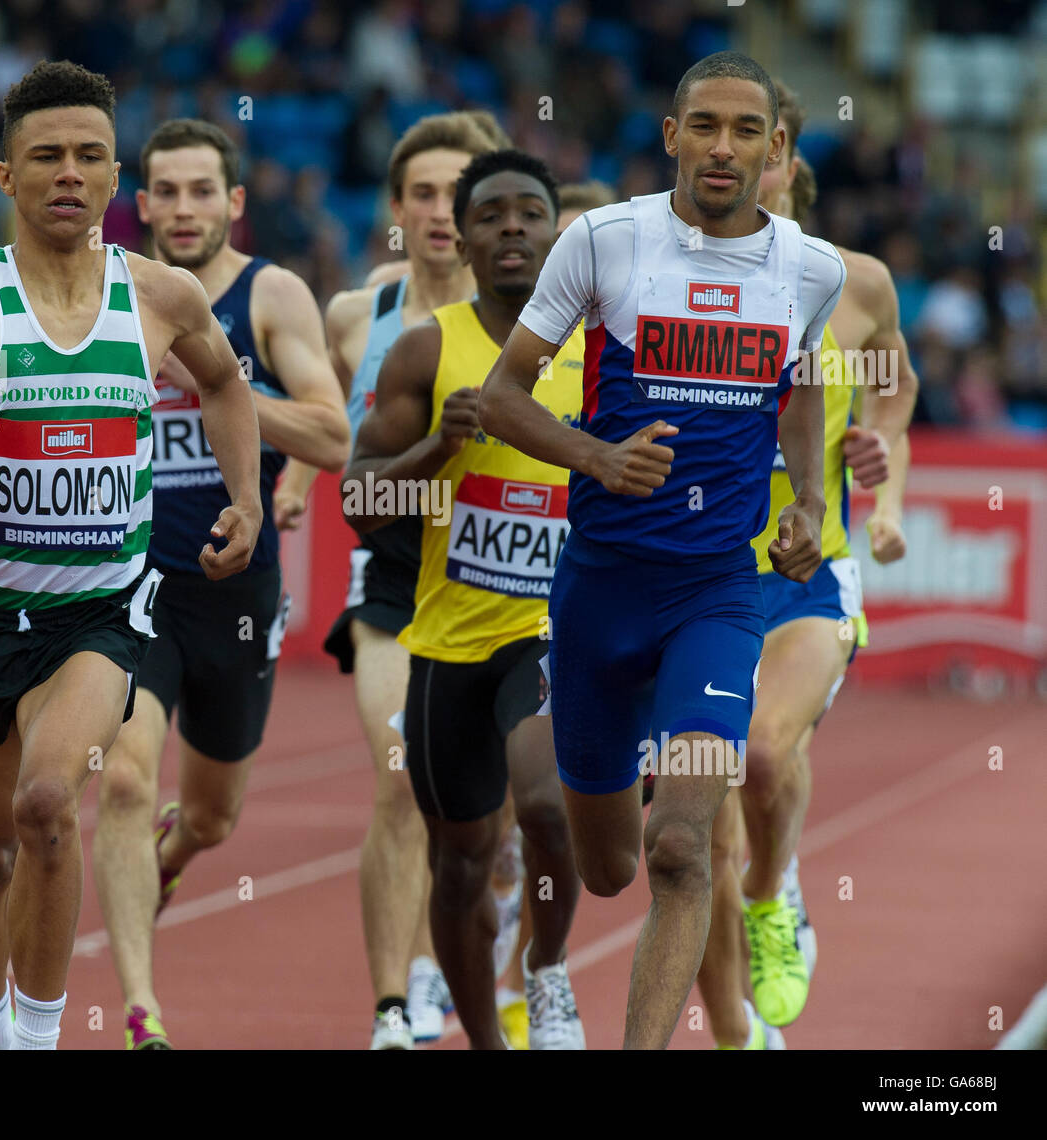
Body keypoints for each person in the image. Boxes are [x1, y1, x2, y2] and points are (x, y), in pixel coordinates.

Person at [0, 60, 262, 1050]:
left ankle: (38, 1036)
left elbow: (227, 388)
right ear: (6, 178)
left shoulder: (160, 298)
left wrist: (243, 499)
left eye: (89, 157)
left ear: (117, 179)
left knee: (45, 804)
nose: (69, 174)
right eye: (46, 156)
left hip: (96, 620)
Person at [479, 51, 846, 1049]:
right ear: (672, 134)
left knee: (681, 846)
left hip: (717, 598)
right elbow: (501, 399)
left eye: (745, 131)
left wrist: (809, 499)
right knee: (606, 869)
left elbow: (803, 383)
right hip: (599, 594)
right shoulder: (604, 242)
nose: (723, 148)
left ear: (775, 147)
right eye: (705, 126)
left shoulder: (810, 268)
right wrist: (596, 457)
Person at [91, 119, 350, 1050]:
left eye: (204, 191)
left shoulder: (270, 294)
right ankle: (140, 1011)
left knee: (213, 813)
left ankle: (178, 850)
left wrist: (220, 385)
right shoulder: (109, 289)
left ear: (234, 203)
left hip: (236, 592)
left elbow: (331, 437)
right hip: (131, 580)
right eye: (168, 191)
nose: (185, 208)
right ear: (144, 203)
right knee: (121, 781)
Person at [345, 148, 587, 1051]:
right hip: (448, 643)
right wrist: (432, 455)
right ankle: (486, 1041)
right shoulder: (428, 348)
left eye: (531, 211)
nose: (513, 228)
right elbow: (360, 505)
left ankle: (548, 969)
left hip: (551, 637)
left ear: (557, 232)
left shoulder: (599, 349)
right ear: (463, 236)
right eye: (491, 215)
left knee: (549, 810)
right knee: (458, 868)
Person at [696, 83, 917, 1049]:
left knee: (767, 751)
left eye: (765, 142)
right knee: (699, 815)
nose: (745, 158)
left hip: (807, 569)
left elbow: (892, 388)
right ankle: (732, 1011)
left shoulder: (856, 285)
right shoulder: (673, 271)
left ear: (790, 163)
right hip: (698, 574)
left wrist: (884, 472)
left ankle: (774, 893)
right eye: (722, 134)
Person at [322, 112, 508, 1049]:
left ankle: (470, 949)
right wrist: (273, 486)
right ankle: (394, 1006)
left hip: (498, 581)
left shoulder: (532, 318)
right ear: (397, 207)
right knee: (400, 779)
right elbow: (333, 432)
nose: (442, 211)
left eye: (459, 191)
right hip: (394, 577)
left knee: (486, 809)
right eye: (424, 193)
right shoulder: (358, 317)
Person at [492, 174, 621, 1049]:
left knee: (579, 818)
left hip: (610, 604)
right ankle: (514, 966)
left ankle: (536, 960)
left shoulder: (640, 344)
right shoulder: (517, 347)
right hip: (491, 619)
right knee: (510, 813)